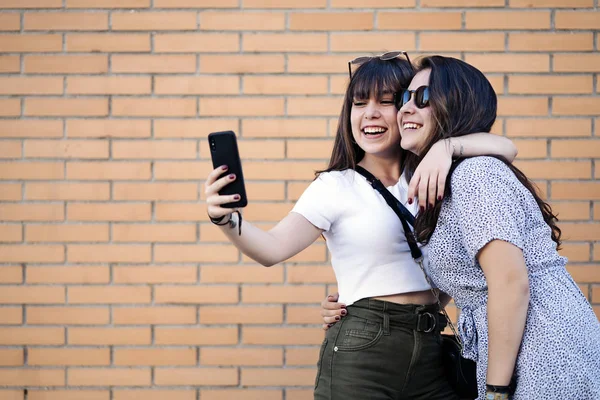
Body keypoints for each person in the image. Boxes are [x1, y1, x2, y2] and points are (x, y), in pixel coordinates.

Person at [205, 54, 518, 399]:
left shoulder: (433, 174)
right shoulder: (336, 185)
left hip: (431, 350)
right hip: (365, 349)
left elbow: (506, 147)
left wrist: (447, 147)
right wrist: (226, 219)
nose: (370, 113)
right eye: (359, 103)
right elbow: (271, 248)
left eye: (387, 102)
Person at [323, 55, 600, 400]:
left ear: (455, 104)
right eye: (405, 99)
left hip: (542, 350)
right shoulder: (446, 178)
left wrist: (496, 392)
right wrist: (360, 306)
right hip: (516, 350)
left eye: (422, 99)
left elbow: (511, 284)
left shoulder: (474, 175)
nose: (406, 109)